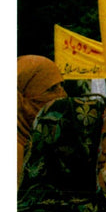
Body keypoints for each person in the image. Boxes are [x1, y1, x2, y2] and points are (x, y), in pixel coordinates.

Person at [17, 55, 67, 185]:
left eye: (61, 86)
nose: (61, 96)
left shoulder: (41, 137)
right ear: (22, 95)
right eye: (51, 89)